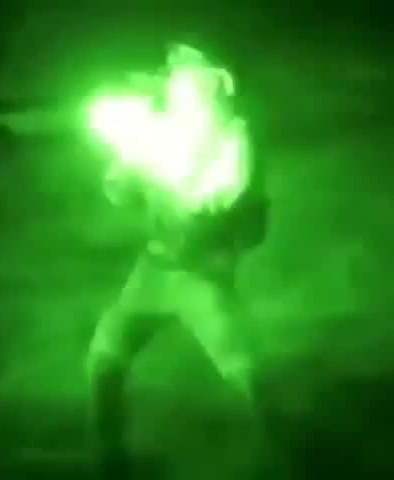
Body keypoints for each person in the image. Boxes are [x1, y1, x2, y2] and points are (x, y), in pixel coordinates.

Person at [85, 44, 269, 478]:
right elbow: (121, 191)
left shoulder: (233, 139)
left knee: (246, 373)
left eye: (188, 69)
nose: (175, 77)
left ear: (216, 81)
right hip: (151, 271)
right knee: (104, 359)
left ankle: (287, 453)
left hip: (201, 276)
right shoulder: (162, 127)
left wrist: (173, 184)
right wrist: (124, 176)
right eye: (175, 69)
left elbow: (217, 200)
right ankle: (110, 459)